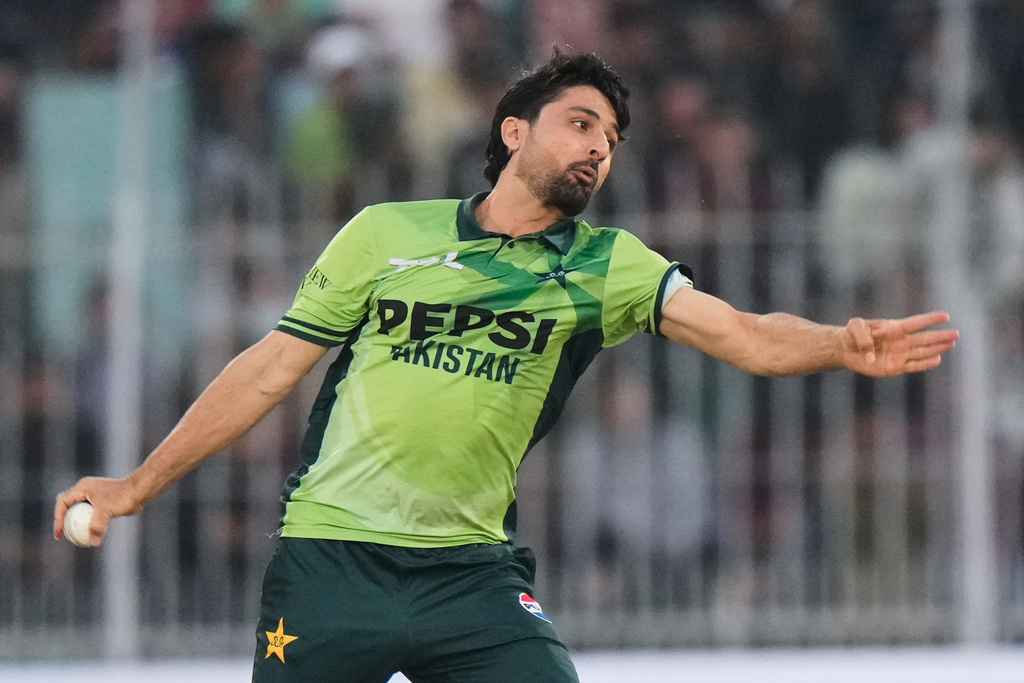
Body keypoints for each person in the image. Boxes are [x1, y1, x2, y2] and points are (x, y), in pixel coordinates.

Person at [54, 51, 958, 682]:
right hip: (332, 563)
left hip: (469, 576)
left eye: (610, 136)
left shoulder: (610, 264)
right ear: (515, 131)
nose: (599, 146)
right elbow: (267, 371)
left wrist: (839, 342)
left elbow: (747, 336)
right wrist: (137, 483)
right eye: (579, 122)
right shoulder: (385, 233)